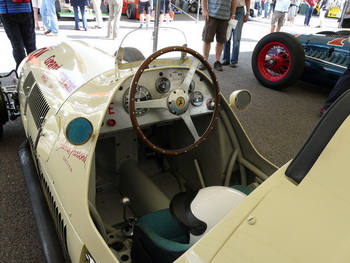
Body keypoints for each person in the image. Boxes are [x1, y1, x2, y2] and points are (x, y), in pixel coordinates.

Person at [199, 0, 237, 71]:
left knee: (221, 40)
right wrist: (204, 9)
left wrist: (233, 14)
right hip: (211, 15)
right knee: (207, 39)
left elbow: (234, 1)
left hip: (225, 17)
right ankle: (205, 61)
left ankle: (217, 61)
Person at [0, 0, 37, 70]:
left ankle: (21, 72)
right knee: (30, 43)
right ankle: (34, 70)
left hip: (8, 11)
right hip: (26, 10)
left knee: (17, 43)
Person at [222, 0, 250, 68]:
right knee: (227, 36)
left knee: (236, 37)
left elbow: (248, 0)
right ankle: (226, 59)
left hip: (240, 11)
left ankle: (234, 60)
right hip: (228, 8)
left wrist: (248, 12)